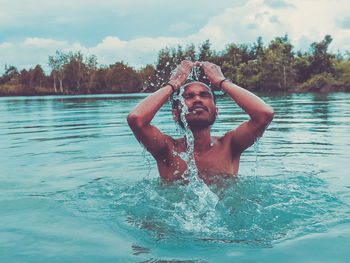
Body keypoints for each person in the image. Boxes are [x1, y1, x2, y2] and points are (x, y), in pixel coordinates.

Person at [127, 60, 274, 184]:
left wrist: (221, 82)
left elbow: (264, 114)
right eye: (189, 96)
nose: (197, 99)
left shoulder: (230, 145)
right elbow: (136, 119)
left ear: (216, 112)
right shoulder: (167, 149)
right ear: (176, 114)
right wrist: (173, 84)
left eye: (204, 95)